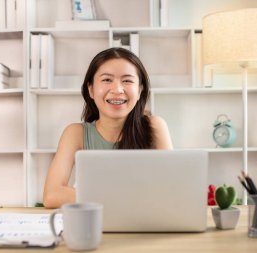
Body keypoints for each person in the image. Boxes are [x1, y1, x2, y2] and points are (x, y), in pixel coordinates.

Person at [43, 47, 173, 208]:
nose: (117, 90)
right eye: (106, 80)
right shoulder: (75, 133)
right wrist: (123, 199)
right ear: (90, 89)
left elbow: (171, 190)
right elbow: (52, 195)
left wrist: (101, 198)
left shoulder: (155, 126)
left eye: (127, 81)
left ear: (139, 90)